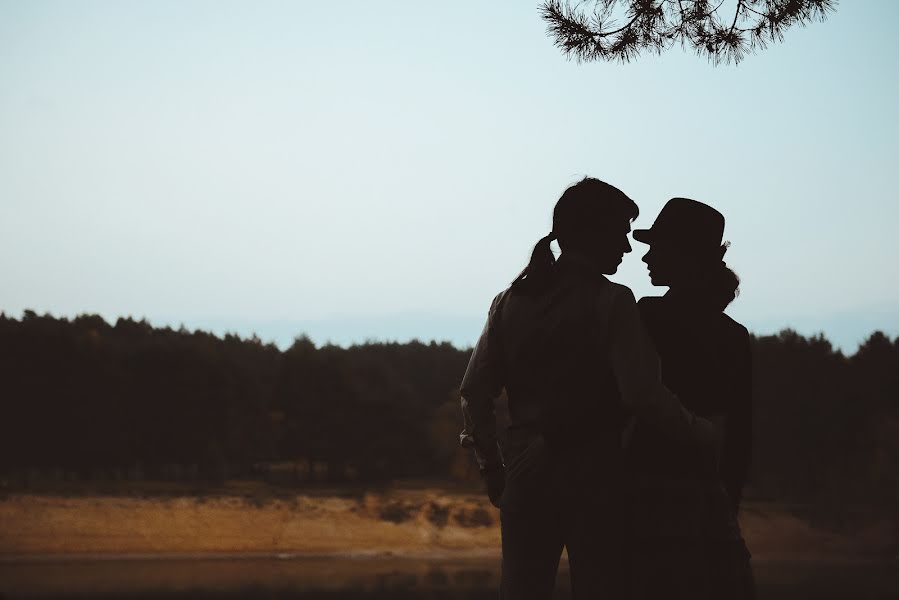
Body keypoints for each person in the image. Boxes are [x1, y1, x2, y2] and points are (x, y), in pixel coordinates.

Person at [459, 178, 721, 600]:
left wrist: (493, 469)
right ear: (592, 233)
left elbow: (474, 392)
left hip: (524, 475)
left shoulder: (508, 302)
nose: (628, 248)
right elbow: (642, 395)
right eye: (621, 233)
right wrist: (703, 433)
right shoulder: (613, 300)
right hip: (594, 479)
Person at [627, 197, 755, 599]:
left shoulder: (645, 316)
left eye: (656, 246)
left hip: (644, 494)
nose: (645, 256)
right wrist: (727, 502)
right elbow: (740, 435)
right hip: (707, 497)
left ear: (683, 255)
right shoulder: (734, 336)